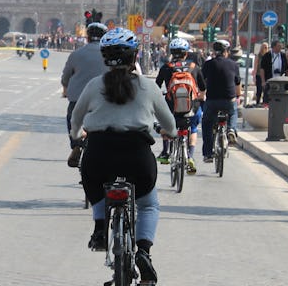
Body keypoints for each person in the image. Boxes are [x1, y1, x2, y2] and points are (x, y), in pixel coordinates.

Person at [70, 27, 174, 285]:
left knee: (93, 184)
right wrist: (166, 132)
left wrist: (76, 135)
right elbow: (170, 125)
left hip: (99, 155)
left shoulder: (95, 85)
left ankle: (99, 228)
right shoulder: (148, 87)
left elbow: (76, 118)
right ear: (135, 55)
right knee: (148, 204)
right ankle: (144, 252)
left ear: (105, 58)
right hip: (137, 157)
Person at [61, 21, 109, 167]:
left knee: (72, 117)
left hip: (78, 99)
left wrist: (65, 89)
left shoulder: (76, 54)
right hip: (103, 100)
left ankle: (76, 144)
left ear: (87, 37)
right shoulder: (109, 55)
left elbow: (65, 77)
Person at [155, 38, 205, 173]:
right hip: (191, 108)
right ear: (186, 53)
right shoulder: (194, 67)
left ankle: (166, 152)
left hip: (171, 108)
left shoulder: (166, 67)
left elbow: (156, 87)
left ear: (171, 52)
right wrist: (200, 97)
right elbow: (203, 87)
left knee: (165, 125)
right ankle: (190, 155)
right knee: (193, 129)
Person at [200, 40, 241, 163]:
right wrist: (237, 96)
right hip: (228, 100)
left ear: (214, 52)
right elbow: (238, 84)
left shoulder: (208, 64)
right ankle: (231, 129)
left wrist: (202, 94)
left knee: (207, 123)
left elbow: (202, 82)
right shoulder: (234, 65)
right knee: (233, 112)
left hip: (212, 101)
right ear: (226, 52)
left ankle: (208, 154)